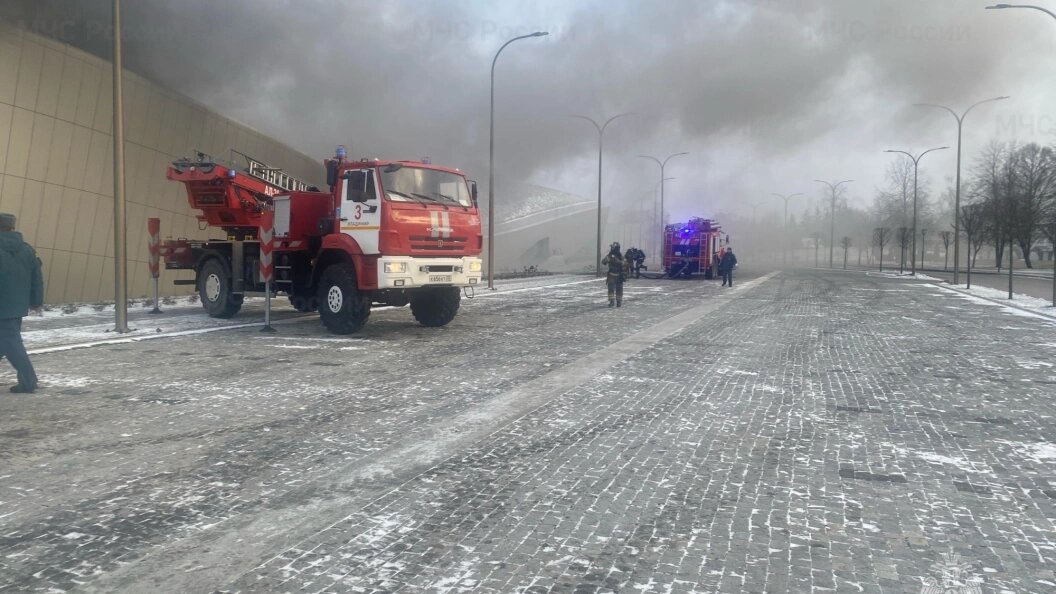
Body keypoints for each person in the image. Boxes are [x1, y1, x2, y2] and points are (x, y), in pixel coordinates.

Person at [0, 213, 43, 393]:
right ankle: (28, 381)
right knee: (6, 342)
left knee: (11, 343)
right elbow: (36, 279)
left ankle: (28, 381)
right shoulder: (27, 250)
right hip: (16, 306)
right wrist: (36, 302)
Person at [601, 242, 625, 307]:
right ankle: (612, 302)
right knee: (611, 289)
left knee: (619, 289)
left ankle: (619, 302)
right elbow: (603, 262)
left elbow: (624, 264)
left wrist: (618, 261)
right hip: (611, 275)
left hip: (619, 275)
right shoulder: (610, 256)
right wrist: (608, 258)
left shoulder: (620, 256)